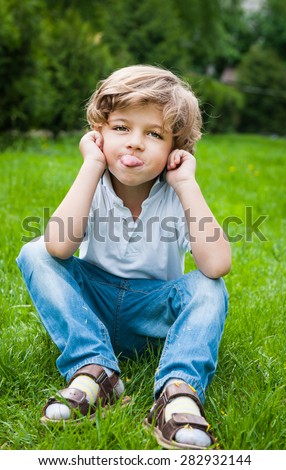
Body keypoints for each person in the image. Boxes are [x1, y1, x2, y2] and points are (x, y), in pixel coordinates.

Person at [16, 65, 231, 450]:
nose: (134, 143)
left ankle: (177, 392)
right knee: (35, 252)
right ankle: (96, 371)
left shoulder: (177, 195)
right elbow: (59, 247)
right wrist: (91, 165)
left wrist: (187, 184)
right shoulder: (93, 182)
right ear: (98, 134)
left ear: (174, 149)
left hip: (153, 316)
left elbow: (216, 265)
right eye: (120, 128)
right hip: (92, 307)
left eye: (154, 134)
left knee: (208, 287)